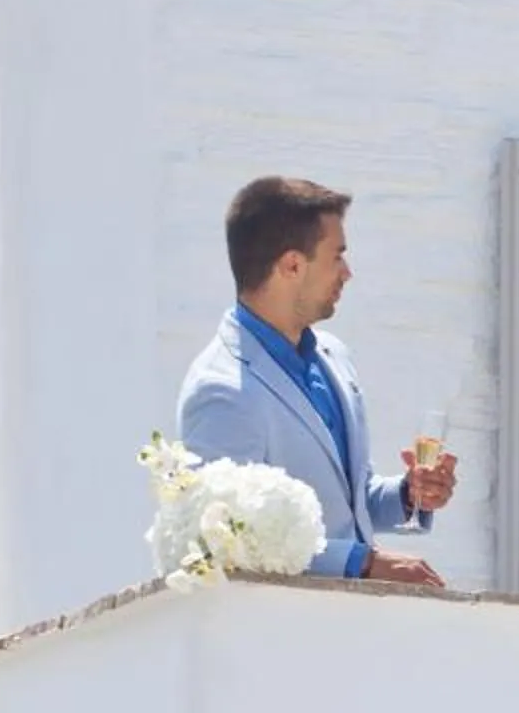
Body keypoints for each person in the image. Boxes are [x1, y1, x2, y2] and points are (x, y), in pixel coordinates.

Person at [178, 176, 455, 585]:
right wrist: (361, 562)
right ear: (292, 265)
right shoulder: (220, 391)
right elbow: (232, 536)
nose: (348, 273)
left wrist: (407, 495)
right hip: (290, 633)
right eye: (337, 256)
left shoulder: (334, 357)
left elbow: (350, 501)